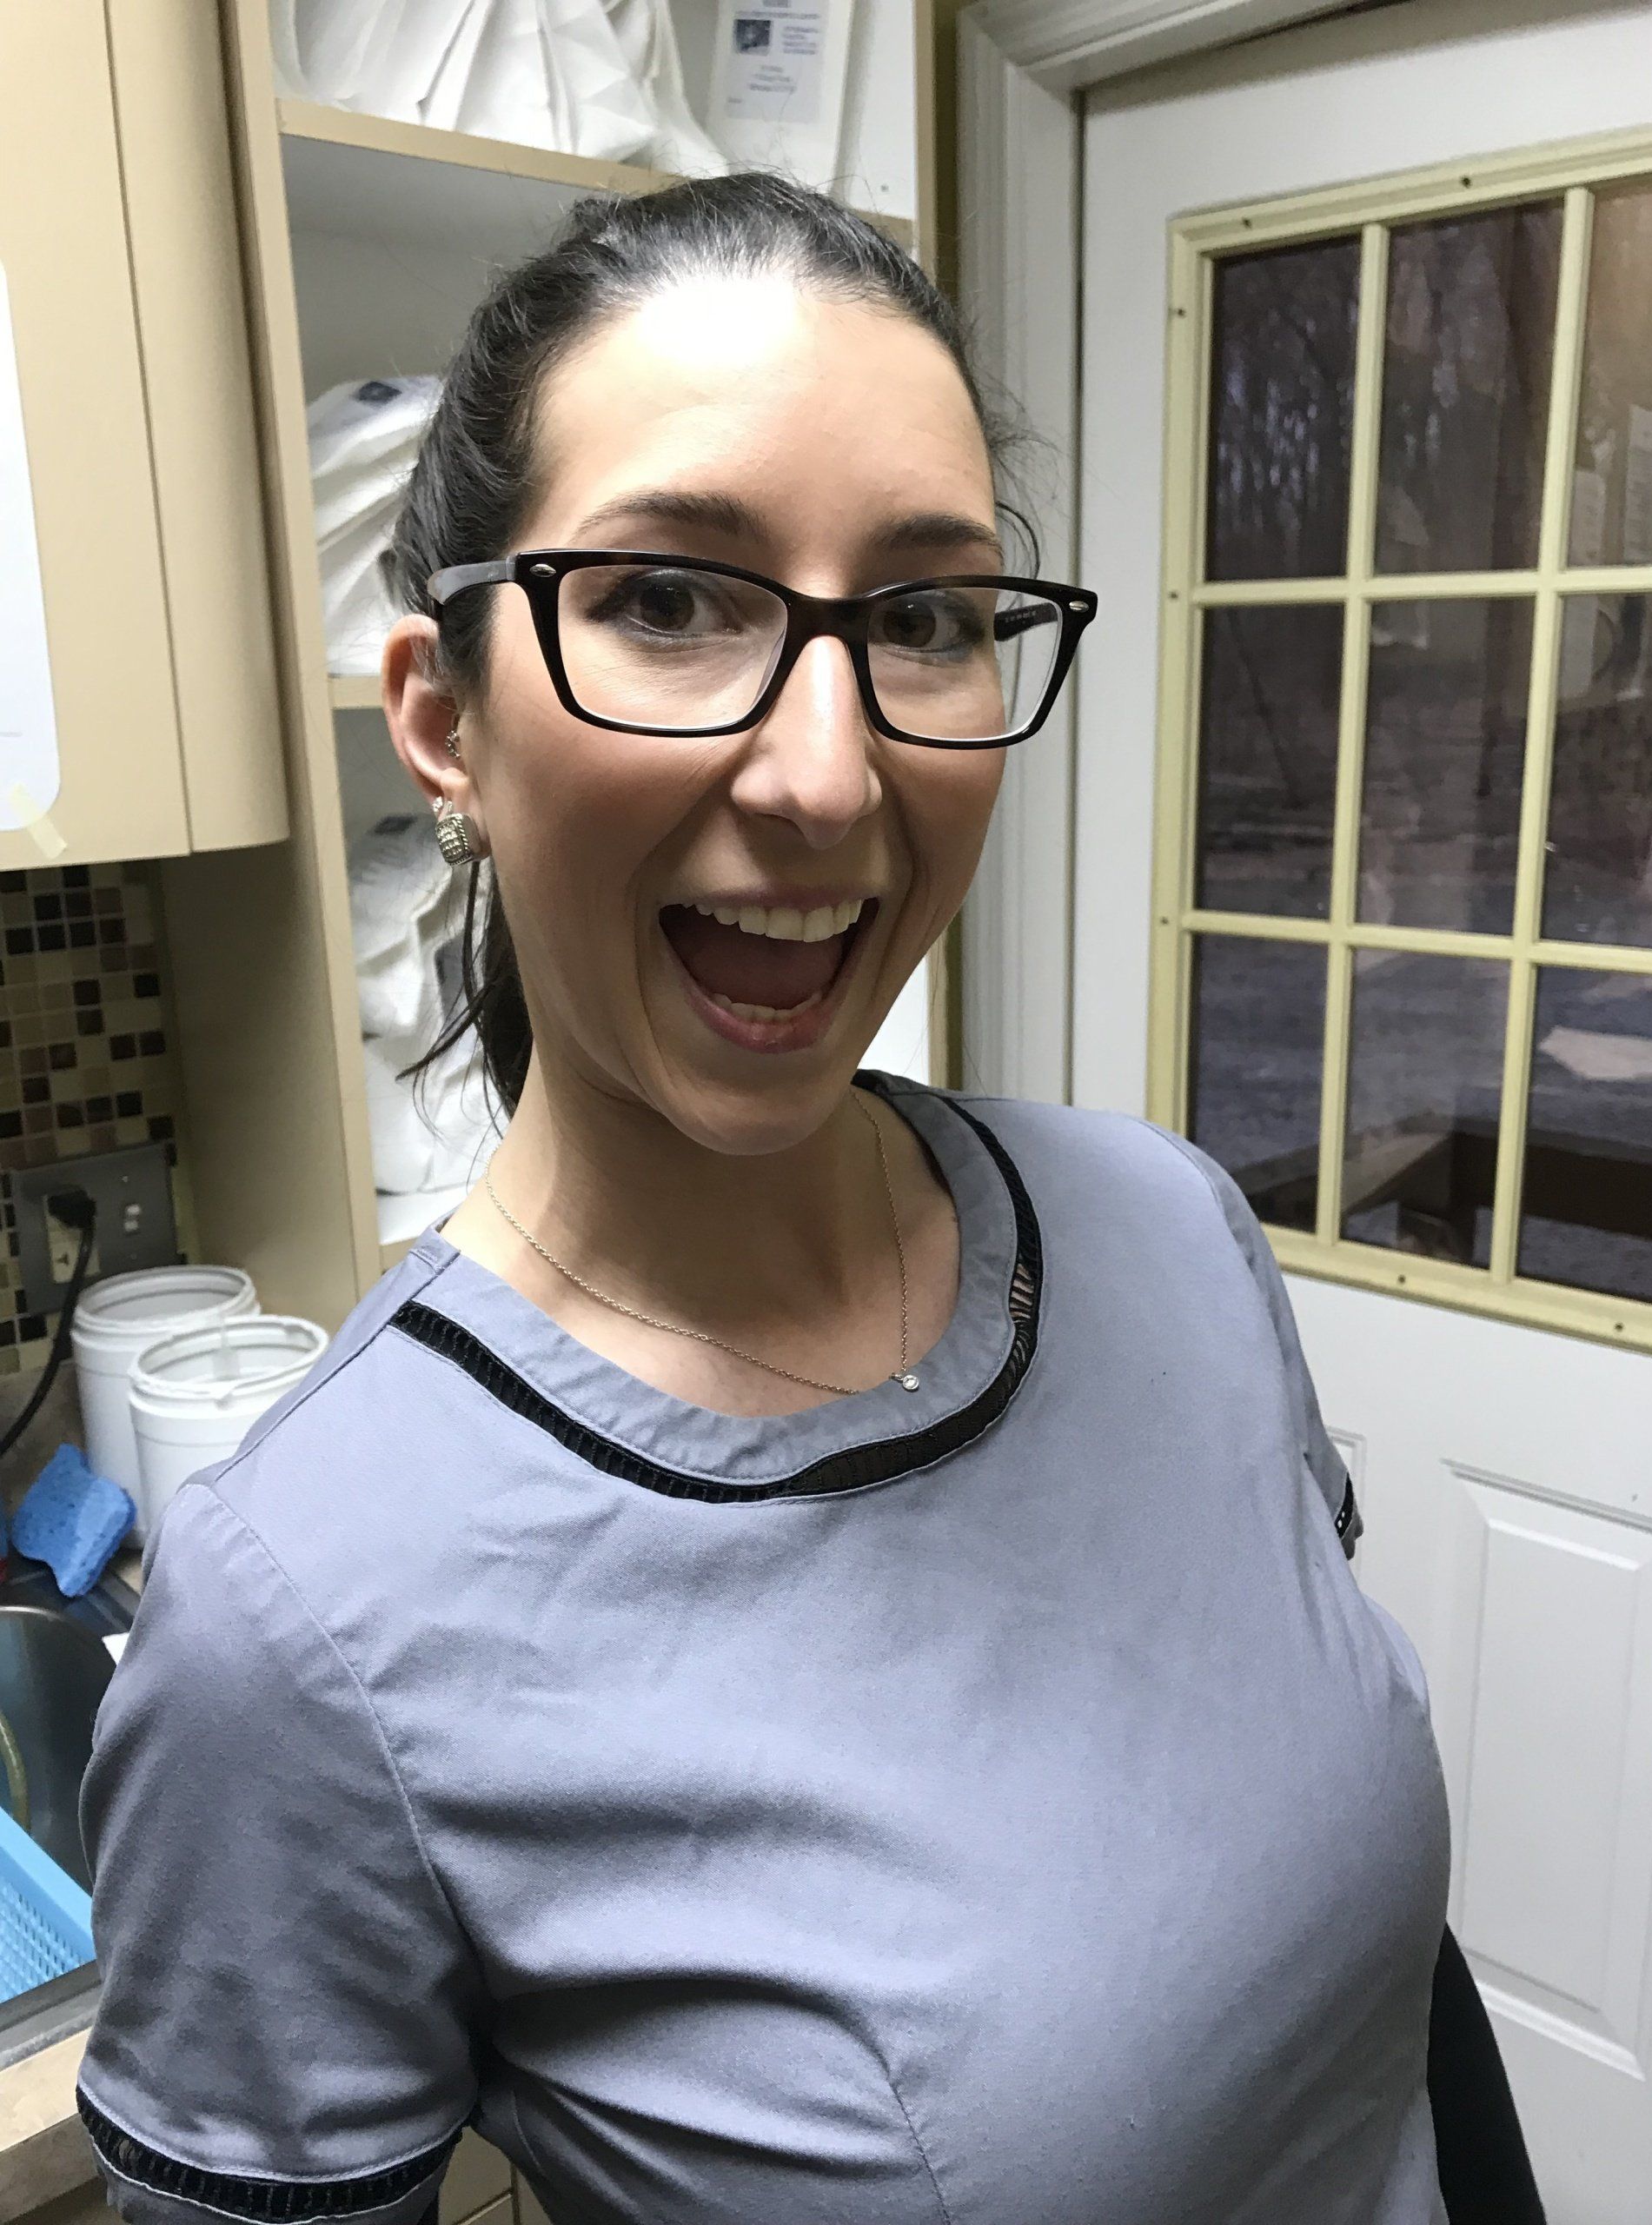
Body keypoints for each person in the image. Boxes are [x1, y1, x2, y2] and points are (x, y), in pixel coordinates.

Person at [76, 173, 1542, 2225]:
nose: (832, 777)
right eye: (671, 600)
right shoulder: (308, 1621)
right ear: (445, 722)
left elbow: (1383, 2001)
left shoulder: (1167, 1230)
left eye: (930, 615)